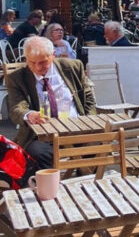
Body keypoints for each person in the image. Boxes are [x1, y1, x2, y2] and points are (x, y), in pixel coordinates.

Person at [6, 36, 97, 167]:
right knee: (38, 153)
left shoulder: (73, 67)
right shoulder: (17, 78)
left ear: (53, 55)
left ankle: (85, 182)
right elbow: (16, 109)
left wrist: (89, 122)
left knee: (101, 145)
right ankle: (52, 185)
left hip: (77, 128)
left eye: (43, 62)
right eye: (32, 62)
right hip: (43, 135)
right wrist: (30, 115)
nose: (37, 68)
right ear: (25, 58)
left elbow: (88, 98)